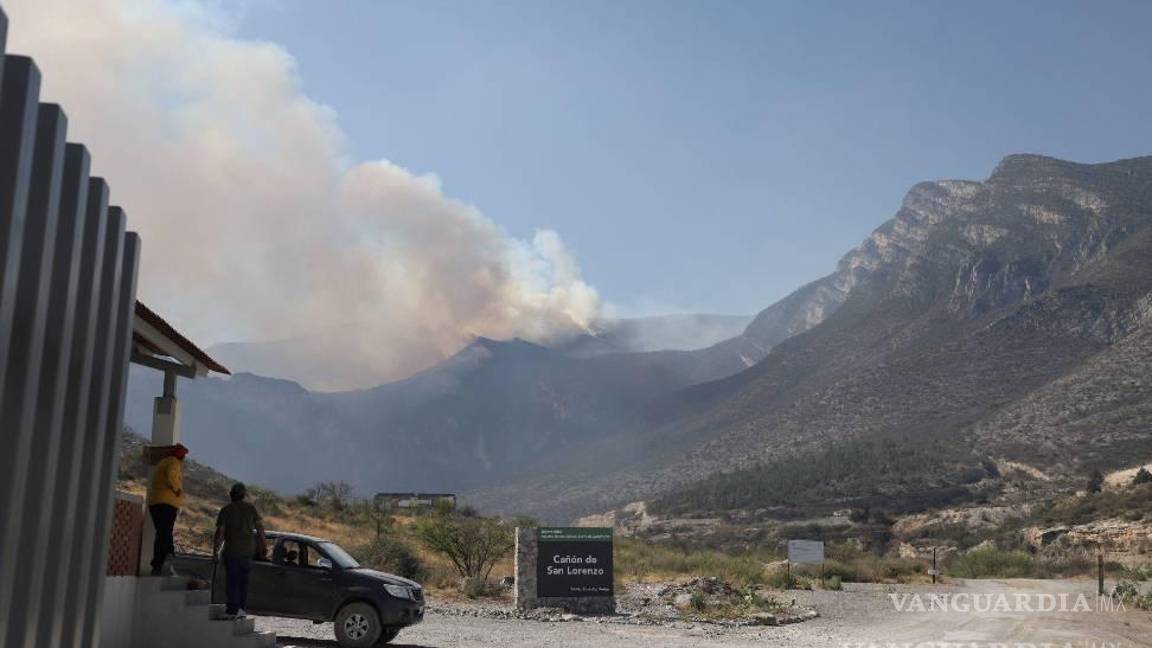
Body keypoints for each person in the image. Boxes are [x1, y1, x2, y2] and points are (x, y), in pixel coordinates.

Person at [213, 482, 267, 618]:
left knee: (232, 581)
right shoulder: (251, 509)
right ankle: (241, 610)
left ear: (231, 495)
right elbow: (260, 528)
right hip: (248, 551)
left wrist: (215, 551)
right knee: (243, 582)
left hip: (232, 551)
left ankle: (232, 610)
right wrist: (263, 545)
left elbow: (220, 533)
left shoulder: (226, 510)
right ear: (243, 496)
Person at [146, 443, 188, 576]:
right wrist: (177, 489)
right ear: (181, 457)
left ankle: (159, 564)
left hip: (156, 502)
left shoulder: (163, 462)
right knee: (165, 533)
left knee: (162, 533)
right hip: (166, 504)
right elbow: (172, 475)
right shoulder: (174, 463)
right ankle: (167, 557)